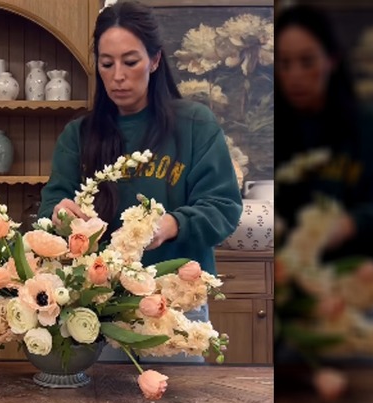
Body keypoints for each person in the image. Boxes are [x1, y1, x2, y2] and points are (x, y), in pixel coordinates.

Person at [37, 0, 243, 361]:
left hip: (175, 304)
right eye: (107, 63)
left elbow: (224, 207)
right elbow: (49, 208)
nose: (118, 75)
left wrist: (172, 224)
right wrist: (59, 216)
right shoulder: (78, 136)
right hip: (97, 309)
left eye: (130, 62)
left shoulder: (195, 126)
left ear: (155, 60)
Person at [274, 5, 373, 364]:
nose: (295, 76)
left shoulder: (372, 129)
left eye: (307, 61)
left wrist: (348, 225)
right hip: (288, 300)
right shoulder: (273, 130)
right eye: (284, 63)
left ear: (332, 60)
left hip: (355, 295)